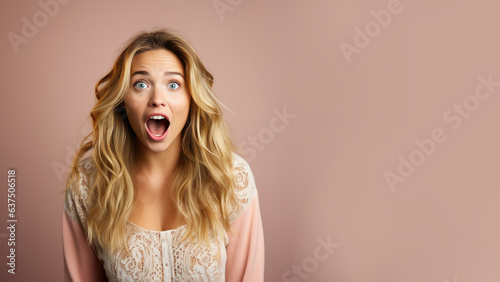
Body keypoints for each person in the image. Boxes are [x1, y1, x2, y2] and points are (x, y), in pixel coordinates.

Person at [61, 29, 265, 281]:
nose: (157, 99)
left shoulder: (231, 178)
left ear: (192, 99)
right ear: (123, 100)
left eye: (173, 84)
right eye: (141, 84)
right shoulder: (88, 184)